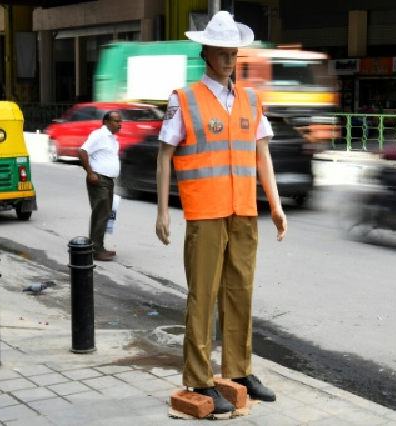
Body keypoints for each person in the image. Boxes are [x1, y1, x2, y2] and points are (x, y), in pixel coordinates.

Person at [155, 11, 287, 414]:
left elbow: (262, 154)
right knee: (203, 296)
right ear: (206, 52)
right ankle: (198, 377)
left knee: (240, 291)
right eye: (222, 51)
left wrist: (276, 205)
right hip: (205, 212)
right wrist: (162, 210)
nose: (230, 58)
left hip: (244, 210)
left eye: (234, 52)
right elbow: (165, 154)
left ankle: (239, 369)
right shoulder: (184, 99)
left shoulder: (250, 98)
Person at [78, 111, 122, 261]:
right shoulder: (99, 135)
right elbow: (82, 151)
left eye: (120, 121)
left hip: (108, 180)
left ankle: (99, 246)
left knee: (105, 213)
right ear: (106, 122)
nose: (119, 124)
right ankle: (96, 250)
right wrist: (90, 173)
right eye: (116, 121)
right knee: (101, 213)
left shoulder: (112, 139)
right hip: (99, 179)